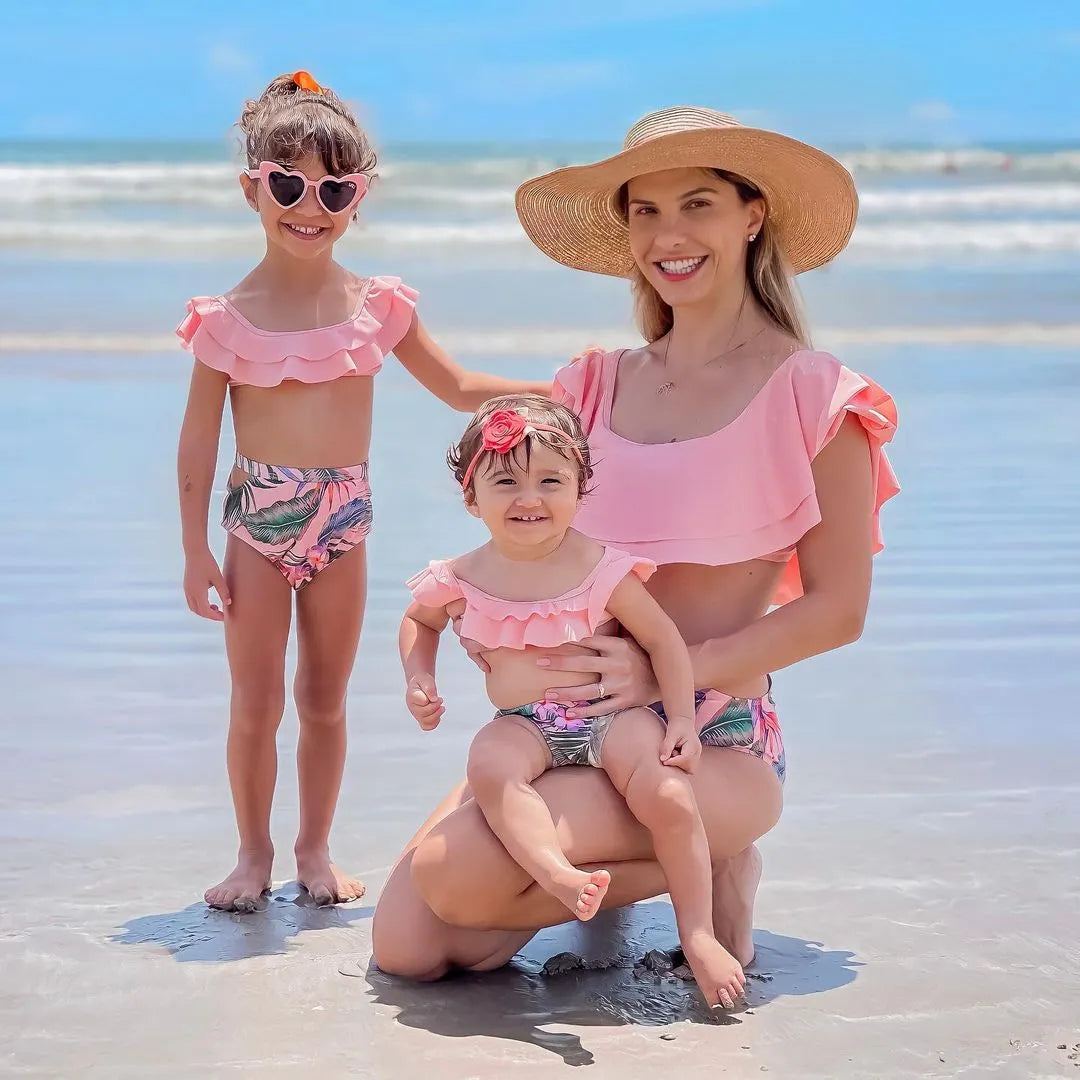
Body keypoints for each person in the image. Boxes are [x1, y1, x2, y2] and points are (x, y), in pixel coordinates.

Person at [371, 106, 898, 981]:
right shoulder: (592, 385)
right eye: (645, 212)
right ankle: (689, 860)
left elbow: (839, 612)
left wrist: (664, 674)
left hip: (707, 734)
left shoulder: (817, 394)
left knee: (453, 874)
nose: (669, 235)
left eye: (697, 204)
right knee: (411, 948)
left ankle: (719, 848)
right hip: (560, 725)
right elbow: (514, 500)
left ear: (751, 215)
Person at [176, 71, 547, 912]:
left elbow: (455, 387)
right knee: (255, 702)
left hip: (345, 517)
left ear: (357, 199)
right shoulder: (223, 320)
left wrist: (557, 387)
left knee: (324, 700)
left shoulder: (377, 307)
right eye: (287, 183)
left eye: (333, 188)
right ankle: (251, 855)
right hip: (257, 520)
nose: (310, 205)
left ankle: (313, 851)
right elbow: (199, 439)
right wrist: (195, 546)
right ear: (252, 188)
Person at [401, 395, 747, 1007]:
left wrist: (685, 722)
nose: (528, 498)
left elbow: (663, 641)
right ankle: (555, 873)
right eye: (505, 481)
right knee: (490, 766)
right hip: (526, 725)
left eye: (550, 481)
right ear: (470, 495)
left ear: (580, 488)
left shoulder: (599, 568)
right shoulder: (460, 575)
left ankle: (697, 932)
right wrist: (418, 677)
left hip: (609, 719)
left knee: (667, 794)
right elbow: (418, 620)